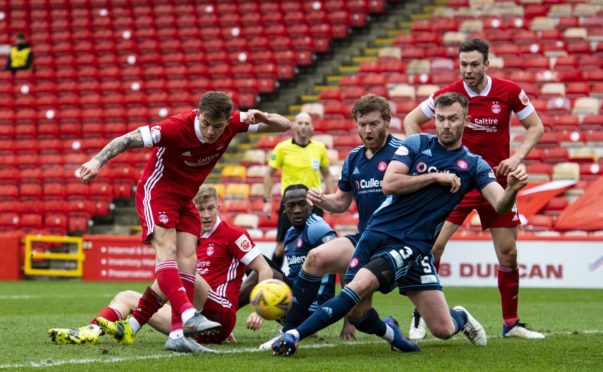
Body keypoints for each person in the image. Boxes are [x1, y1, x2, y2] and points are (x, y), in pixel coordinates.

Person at [271, 92, 529, 357]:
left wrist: (511, 190)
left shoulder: (474, 165)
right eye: (440, 118)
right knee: (356, 308)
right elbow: (390, 183)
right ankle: (385, 332)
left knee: (442, 328)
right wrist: (436, 177)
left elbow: (500, 206)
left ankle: (459, 317)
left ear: (466, 119)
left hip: (412, 244)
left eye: (453, 119)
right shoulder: (416, 144)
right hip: (377, 234)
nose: (446, 125)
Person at [78, 91, 291, 351]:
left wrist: (264, 118)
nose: (211, 131)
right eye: (206, 124)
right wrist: (97, 160)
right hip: (158, 192)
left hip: (185, 199)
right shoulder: (175, 128)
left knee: (188, 261)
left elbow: (285, 126)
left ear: (226, 120)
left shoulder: (234, 123)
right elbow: (128, 139)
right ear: (198, 114)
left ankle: (178, 335)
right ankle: (186, 315)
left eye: (218, 125)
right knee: (169, 253)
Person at [403, 38, 545, 340]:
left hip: (495, 182)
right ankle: (422, 316)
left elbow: (536, 126)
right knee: (433, 247)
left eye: (474, 65)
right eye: (463, 64)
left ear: (486, 64)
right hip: (456, 183)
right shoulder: (447, 95)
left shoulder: (508, 91)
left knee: (508, 253)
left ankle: (511, 324)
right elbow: (411, 121)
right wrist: (431, 161)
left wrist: (517, 156)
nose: (468, 70)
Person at [48, 185, 277, 352]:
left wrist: (259, 311)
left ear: (219, 206)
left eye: (210, 208)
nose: (206, 215)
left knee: (181, 269)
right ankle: (92, 330)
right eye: (200, 209)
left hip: (221, 312)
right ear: (193, 209)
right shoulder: (189, 235)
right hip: (191, 317)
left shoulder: (233, 234)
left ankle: (133, 326)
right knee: (126, 296)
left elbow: (264, 270)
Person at [263, 94, 404, 346]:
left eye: (373, 124)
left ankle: (409, 324)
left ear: (387, 121)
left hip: (397, 243)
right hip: (365, 240)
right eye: (362, 124)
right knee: (326, 272)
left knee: (441, 327)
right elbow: (341, 202)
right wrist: (320, 199)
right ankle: (290, 331)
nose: (367, 130)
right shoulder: (354, 158)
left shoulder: (402, 153)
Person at [251, 184, 338, 340]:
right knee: (253, 261)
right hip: (296, 299)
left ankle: (225, 319)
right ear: (285, 208)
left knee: (259, 265)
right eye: (292, 205)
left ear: (310, 204)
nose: (297, 209)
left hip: (316, 304)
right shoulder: (290, 233)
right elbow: (293, 275)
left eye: (302, 204)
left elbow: (344, 264)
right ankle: (298, 324)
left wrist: (349, 322)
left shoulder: (318, 229)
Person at [263, 112, 335, 270]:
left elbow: (327, 175)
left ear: (312, 127)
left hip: (313, 201)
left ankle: (316, 286)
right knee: (281, 246)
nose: (303, 126)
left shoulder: (319, 148)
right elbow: (268, 175)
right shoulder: (282, 148)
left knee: (317, 244)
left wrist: (331, 200)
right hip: (289, 203)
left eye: (306, 123)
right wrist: (267, 202)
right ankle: (272, 283)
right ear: (295, 126)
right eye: (300, 123)